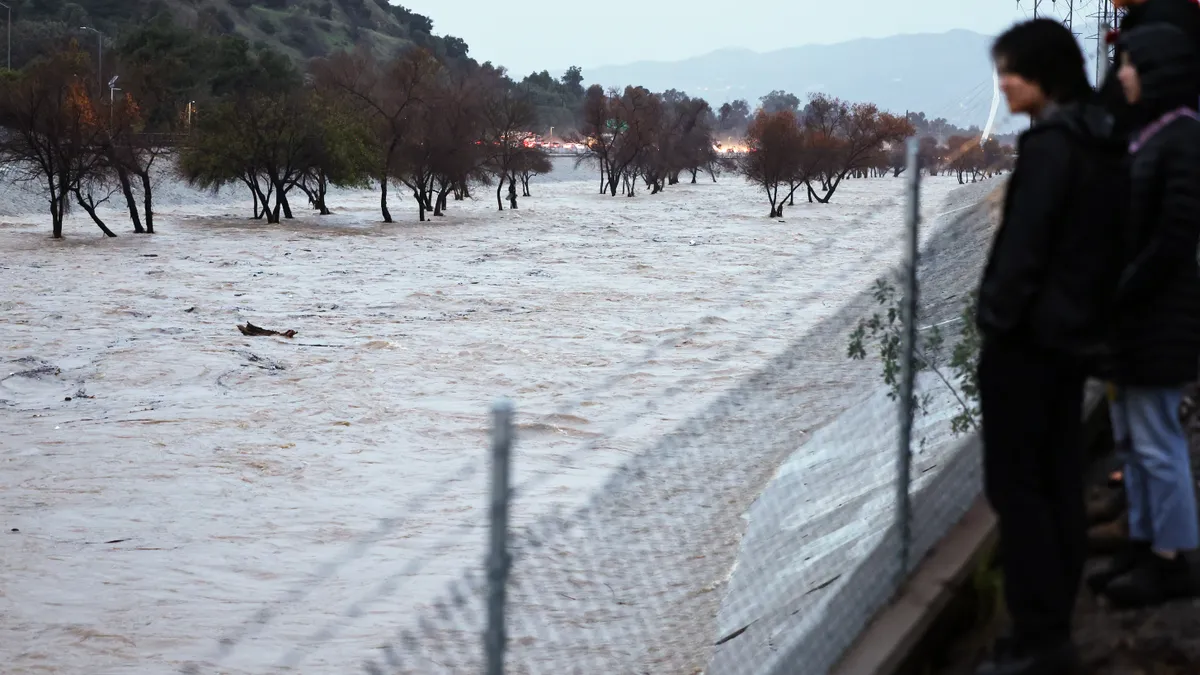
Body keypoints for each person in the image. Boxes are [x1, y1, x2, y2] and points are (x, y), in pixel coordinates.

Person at [975, 19, 1126, 675]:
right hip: (1071, 342)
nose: (1003, 83)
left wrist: (995, 319)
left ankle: (1037, 641)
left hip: (1026, 347)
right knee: (1059, 479)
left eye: (1011, 69)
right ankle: (1050, 630)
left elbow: (1022, 254)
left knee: (1020, 490)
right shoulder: (1102, 140)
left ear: (1044, 75)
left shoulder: (1049, 148)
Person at [1085, 23, 1200, 609]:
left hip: (1158, 318)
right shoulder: (1150, 134)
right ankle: (1143, 542)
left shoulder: (1181, 138)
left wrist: (1124, 287)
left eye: (1128, 65)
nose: (1120, 75)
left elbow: (1174, 235)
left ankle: (1171, 558)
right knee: (1134, 441)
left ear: (1157, 70)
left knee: (1157, 441)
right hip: (1134, 318)